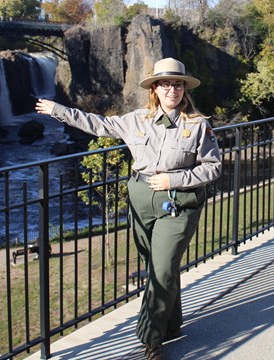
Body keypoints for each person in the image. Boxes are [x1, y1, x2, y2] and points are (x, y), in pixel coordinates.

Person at [36, 57, 221, 360]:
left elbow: (213, 169)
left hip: (179, 203)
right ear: (155, 89)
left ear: (184, 89)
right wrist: (58, 111)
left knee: (161, 270)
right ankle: (171, 324)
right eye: (165, 84)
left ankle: (150, 340)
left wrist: (173, 178)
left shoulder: (198, 125)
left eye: (177, 84)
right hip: (140, 199)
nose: (172, 89)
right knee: (159, 267)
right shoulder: (135, 120)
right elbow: (96, 124)